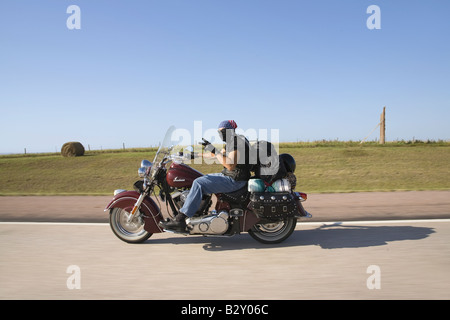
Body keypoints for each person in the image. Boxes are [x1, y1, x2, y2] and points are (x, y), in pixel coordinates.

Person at [160, 120, 251, 231]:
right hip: (230, 176)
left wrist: (215, 151)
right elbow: (216, 155)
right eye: (219, 132)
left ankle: (181, 218)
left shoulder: (237, 142)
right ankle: (199, 212)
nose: (220, 135)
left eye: (222, 132)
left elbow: (230, 165)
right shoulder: (232, 141)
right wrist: (193, 155)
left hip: (235, 180)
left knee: (199, 183)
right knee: (202, 178)